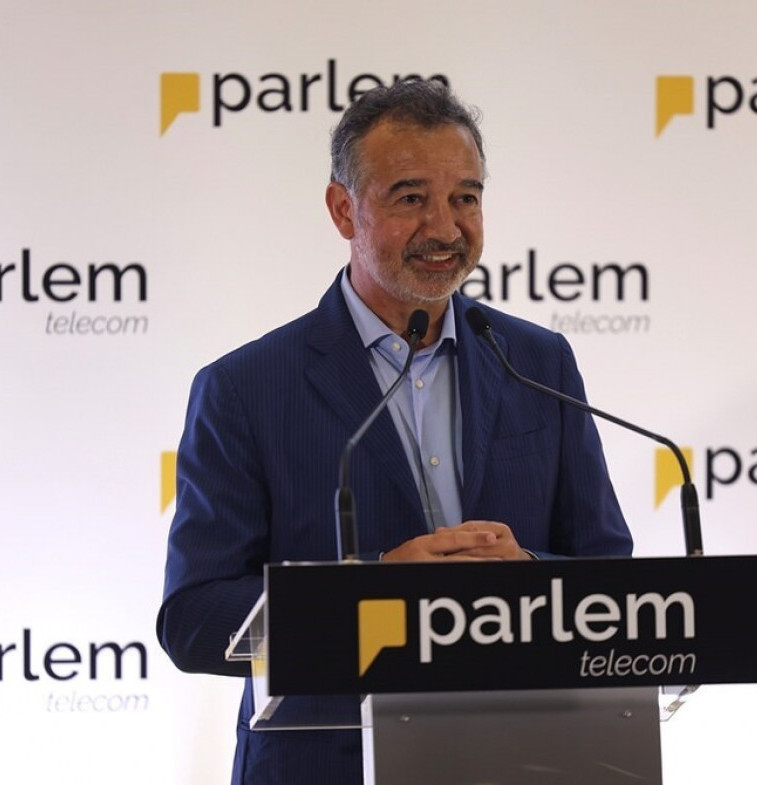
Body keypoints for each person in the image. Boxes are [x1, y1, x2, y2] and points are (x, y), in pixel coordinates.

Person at [157, 79, 632, 785]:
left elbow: (614, 579)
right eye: (411, 198)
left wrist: (528, 575)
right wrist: (374, 590)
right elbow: (194, 619)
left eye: (465, 197)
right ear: (343, 209)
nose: (445, 228)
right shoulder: (246, 388)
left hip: (527, 757)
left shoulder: (537, 362)